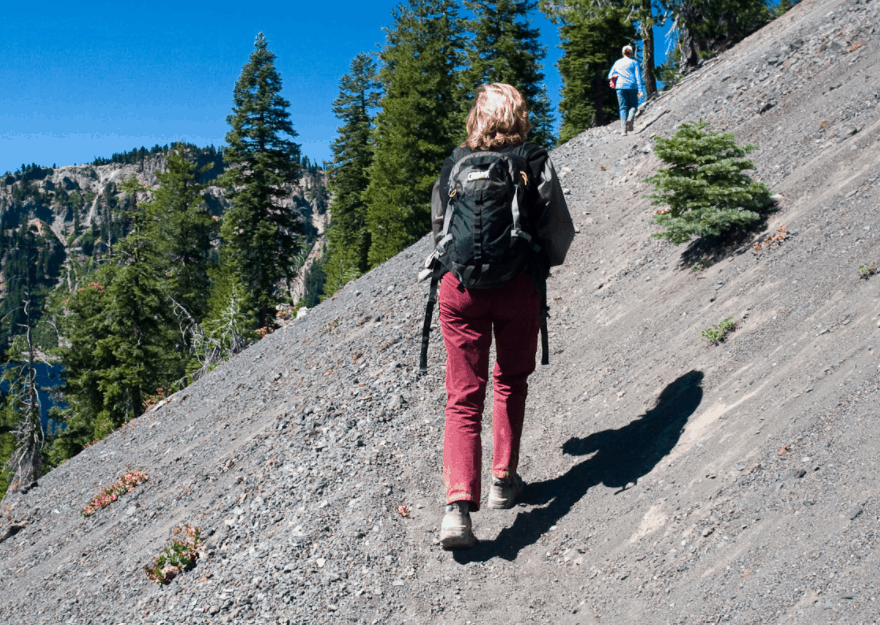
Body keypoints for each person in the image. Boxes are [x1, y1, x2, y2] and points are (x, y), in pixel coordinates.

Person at [432, 83, 574, 549]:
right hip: (517, 286)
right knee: (511, 379)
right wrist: (540, 265)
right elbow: (558, 226)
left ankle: (456, 508)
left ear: (477, 117)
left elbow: (440, 229)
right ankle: (502, 481)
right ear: (517, 115)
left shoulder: (455, 164)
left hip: (460, 289)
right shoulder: (532, 159)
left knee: (462, 396)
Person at [608, 45, 645, 135]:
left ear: (623, 53)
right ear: (631, 53)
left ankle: (623, 131)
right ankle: (630, 118)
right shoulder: (634, 62)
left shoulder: (617, 62)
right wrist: (640, 89)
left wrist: (615, 76)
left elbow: (610, 75)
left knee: (622, 108)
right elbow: (638, 77)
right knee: (633, 106)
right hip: (632, 86)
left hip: (620, 86)